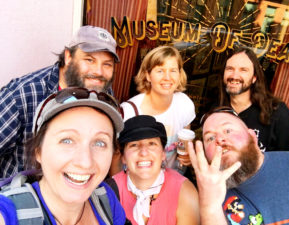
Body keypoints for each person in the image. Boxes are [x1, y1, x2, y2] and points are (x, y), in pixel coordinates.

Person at [0, 25, 120, 179]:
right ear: (68, 56)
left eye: (107, 64)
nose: (98, 71)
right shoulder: (22, 94)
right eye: (89, 60)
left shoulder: (102, 92)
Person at [0, 87, 126, 225]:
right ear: (39, 152)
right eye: (67, 140)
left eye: (100, 143)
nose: (85, 162)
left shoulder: (106, 199)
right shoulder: (8, 213)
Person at [187, 106, 289, 225]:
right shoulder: (210, 200)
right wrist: (210, 206)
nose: (219, 139)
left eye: (228, 130)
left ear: (252, 136)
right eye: (210, 138)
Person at [119, 46, 195, 175]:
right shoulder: (128, 112)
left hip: (172, 182)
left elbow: (185, 142)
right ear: (148, 75)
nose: (167, 77)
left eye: (173, 70)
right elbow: (117, 158)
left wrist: (188, 156)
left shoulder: (184, 103)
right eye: (160, 71)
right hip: (138, 186)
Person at [113, 115, 200, 225]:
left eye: (152, 144)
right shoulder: (108, 191)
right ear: (123, 157)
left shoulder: (184, 191)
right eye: (134, 145)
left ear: (163, 154)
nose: (143, 152)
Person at [218, 46, 289, 152]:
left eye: (243, 70)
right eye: (230, 69)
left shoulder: (277, 112)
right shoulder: (217, 109)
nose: (234, 75)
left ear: (254, 78)